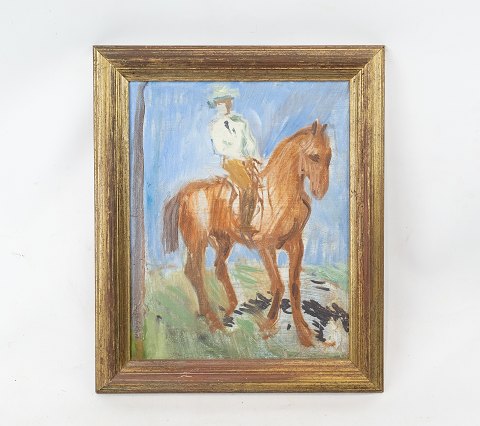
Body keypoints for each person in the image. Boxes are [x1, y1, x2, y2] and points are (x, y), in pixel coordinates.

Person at [208, 86, 261, 234]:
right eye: (221, 103)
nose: (225, 105)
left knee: (261, 183)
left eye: (227, 102)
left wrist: (253, 157)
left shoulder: (241, 122)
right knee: (247, 186)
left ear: (230, 103)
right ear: (216, 105)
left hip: (246, 160)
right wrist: (241, 158)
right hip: (230, 161)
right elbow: (220, 147)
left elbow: (250, 142)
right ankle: (244, 223)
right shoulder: (215, 125)